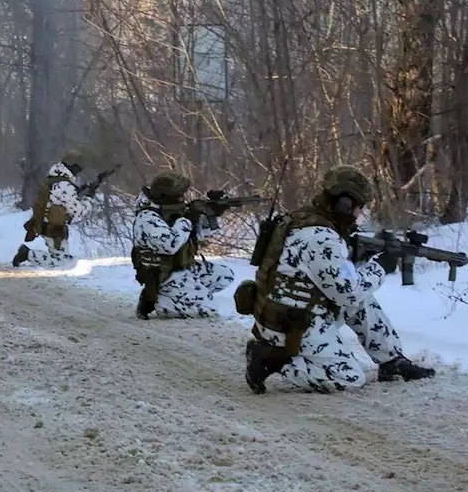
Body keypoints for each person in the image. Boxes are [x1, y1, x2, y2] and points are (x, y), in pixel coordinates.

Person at [236, 164, 436, 394]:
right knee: (349, 378)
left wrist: (362, 256)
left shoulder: (304, 219)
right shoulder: (320, 237)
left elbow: (322, 272)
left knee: (362, 297)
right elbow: (346, 291)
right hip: (291, 325)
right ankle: (271, 359)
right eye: (359, 207)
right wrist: (382, 266)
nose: (360, 213)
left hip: (284, 311)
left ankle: (391, 360)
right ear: (344, 204)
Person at [130, 171, 236, 319]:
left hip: (181, 267)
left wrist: (213, 214)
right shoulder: (147, 218)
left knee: (224, 276)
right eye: (179, 196)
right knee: (208, 309)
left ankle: (186, 295)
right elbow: (170, 244)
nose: (183, 198)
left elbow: (197, 234)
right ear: (165, 196)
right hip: (163, 275)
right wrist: (188, 219)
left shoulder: (171, 212)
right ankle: (161, 301)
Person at [12, 151, 92, 268]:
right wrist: (89, 198)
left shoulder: (55, 178)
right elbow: (78, 211)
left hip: (49, 225)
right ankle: (27, 254)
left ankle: (28, 254)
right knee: (61, 263)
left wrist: (79, 192)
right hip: (53, 228)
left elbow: (60, 200)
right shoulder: (63, 184)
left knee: (64, 259)